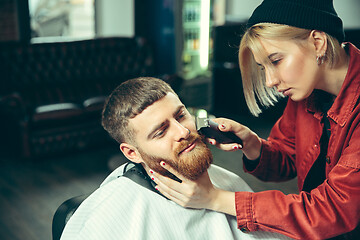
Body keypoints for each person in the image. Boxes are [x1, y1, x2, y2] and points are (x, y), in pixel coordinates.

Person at [149, 0, 360, 239]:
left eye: (276, 60)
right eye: (263, 68)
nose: (270, 81)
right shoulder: (305, 92)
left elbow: (335, 210)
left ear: (317, 42)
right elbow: (289, 159)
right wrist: (252, 144)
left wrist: (215, 198)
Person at [60, 77, 290, 240]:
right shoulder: (111, 215)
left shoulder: (226, 182)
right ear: (132, 153)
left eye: (181, 115)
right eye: (160, 132)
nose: (183, 131)